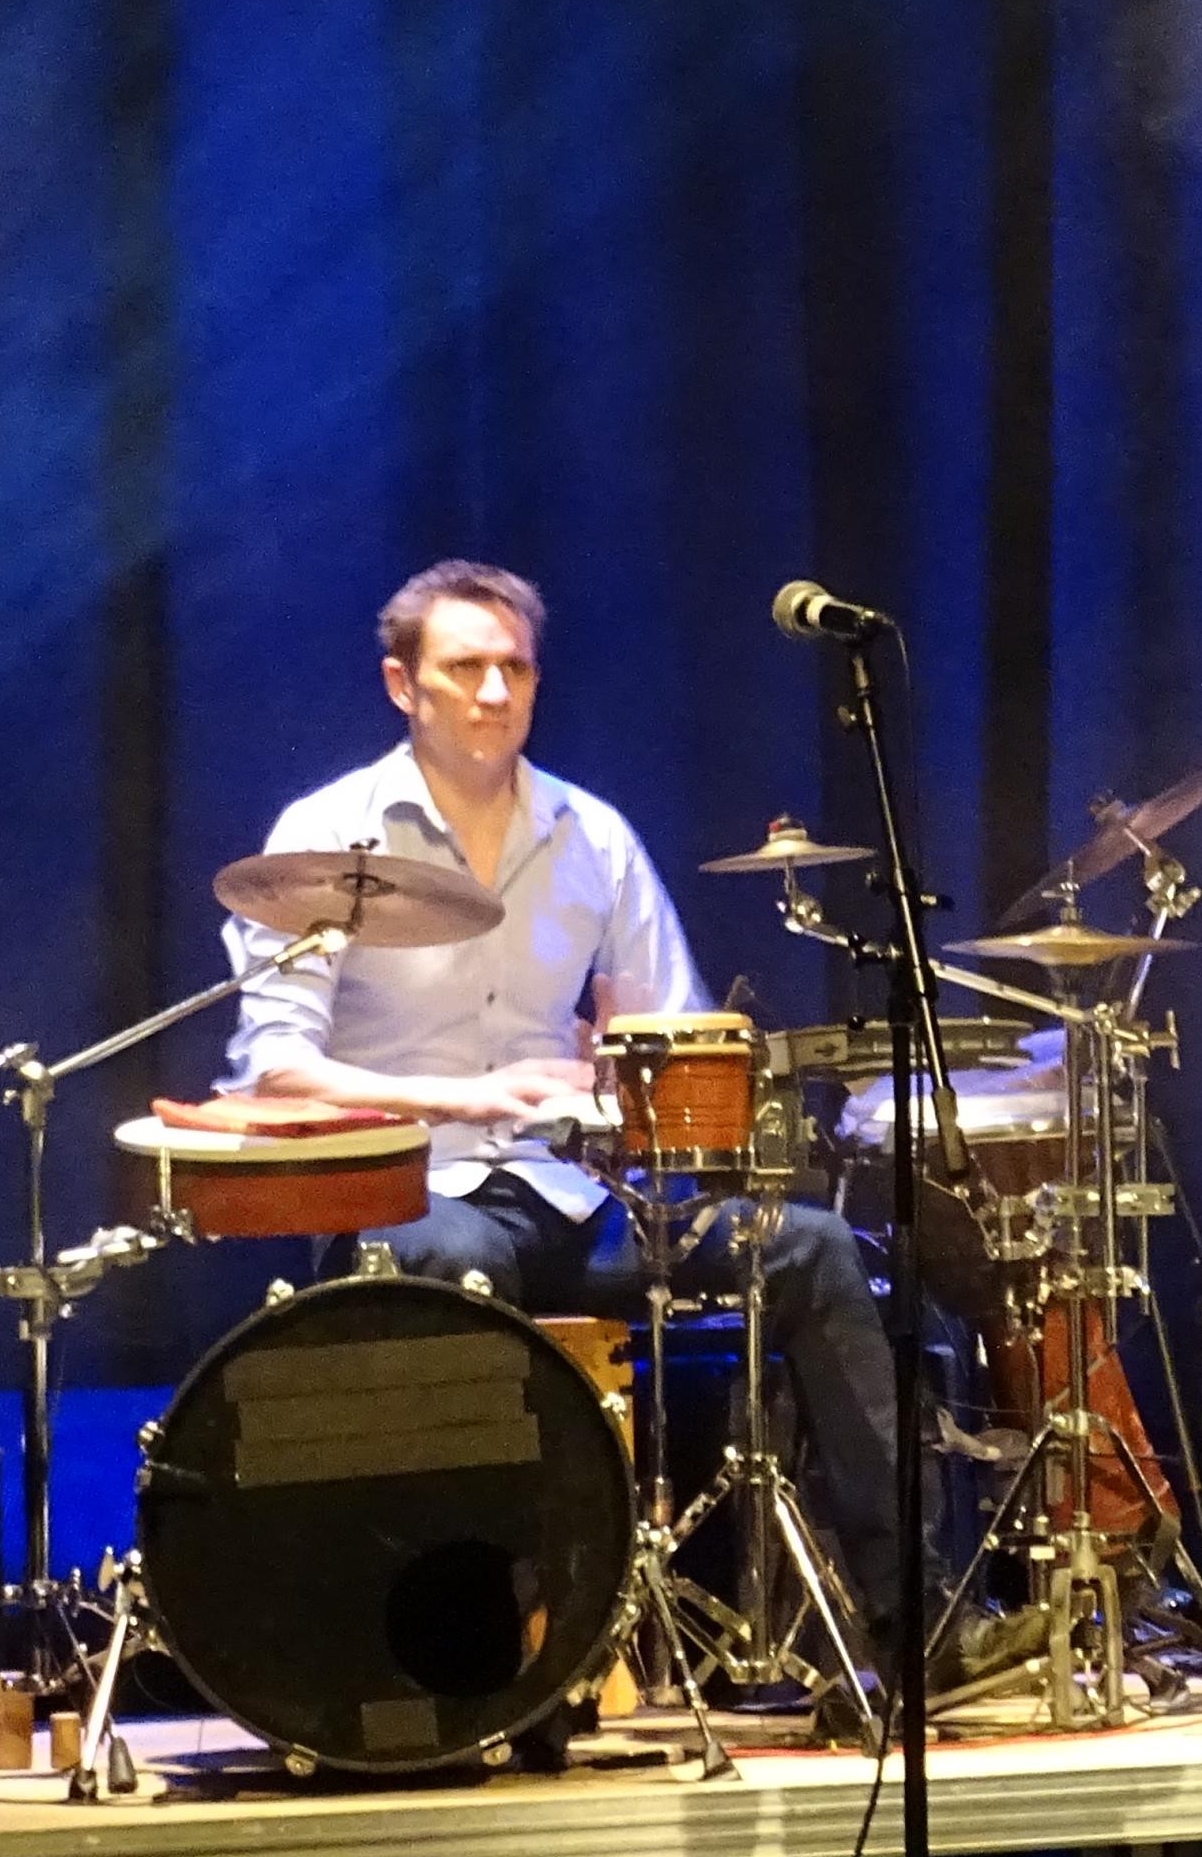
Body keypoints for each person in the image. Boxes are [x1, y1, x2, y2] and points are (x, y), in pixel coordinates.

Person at [219, 559, 916, 1664]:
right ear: (402, 686)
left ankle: (914, 1620)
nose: (495, 692)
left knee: (814, 1248)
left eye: (516, 668)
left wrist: (619, 1081)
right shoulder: (326, 835)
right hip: (410, 1194)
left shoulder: (594, 836)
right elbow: (277, 1071)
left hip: (571, 1197)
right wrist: (466, 1094)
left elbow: (668, 1040)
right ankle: (484, 1645)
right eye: (465, 669)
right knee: (454, 1261)